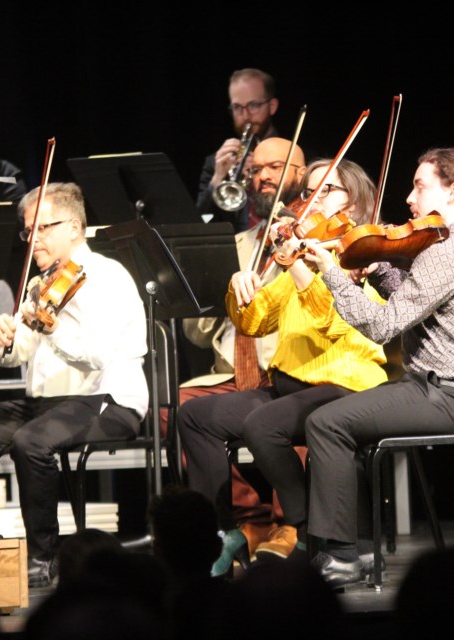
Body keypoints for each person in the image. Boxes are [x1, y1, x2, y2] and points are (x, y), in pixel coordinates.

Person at [302, 148, 454, 586]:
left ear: (453, 191)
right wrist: (378, 269)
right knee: (330, 420)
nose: (410, 198)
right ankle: (341, 550)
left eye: (419, 185)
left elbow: (383, 324)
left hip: (448, 397)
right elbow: (415, 303)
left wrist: (329, 271)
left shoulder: (451, 248)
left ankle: (341, 556)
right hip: (434, 388)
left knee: (327, 424)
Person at [177, 158, 387, 573]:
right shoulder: (302, 255)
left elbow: (333, 320)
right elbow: (256, 322)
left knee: (263, 425)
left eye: (327, 190)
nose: (314, 199)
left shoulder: (366, 254)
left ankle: (305, 529)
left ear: (357, 199)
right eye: (310, 192)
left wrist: (303, 269)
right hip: (290, 385)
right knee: (195, 416)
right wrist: (240, 293)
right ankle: (224, 532)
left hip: (344, 381)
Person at [0, 182, 148, 588]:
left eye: (43, 228)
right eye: (28, 231)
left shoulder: (107, 277)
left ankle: (43, 556)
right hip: (47, 404)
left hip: (107, 399)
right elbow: (12, 354)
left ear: (74, 227)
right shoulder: (41, 284)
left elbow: (101, 356)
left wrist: (52, 328)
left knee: (31, 442)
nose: (33, 240)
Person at [178, 137, 305, 558]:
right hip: (230, 375)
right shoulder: (236, 246)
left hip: (284, 373)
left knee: (300, 403)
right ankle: (246, 522)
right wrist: (213, 297)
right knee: (172, 409)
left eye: (275, 167)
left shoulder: (312, 244)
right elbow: (197, 334)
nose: (263, 176)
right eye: (255, 170)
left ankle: (292, 527)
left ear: (300, 175)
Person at [197, 68, 280, 231]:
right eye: (237, 107)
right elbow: (200, 219)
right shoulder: (216, 162)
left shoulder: (294, 155)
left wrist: (259, 175)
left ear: (272, 106)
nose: (246, 115)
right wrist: (218, 178)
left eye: (253, 105)